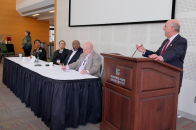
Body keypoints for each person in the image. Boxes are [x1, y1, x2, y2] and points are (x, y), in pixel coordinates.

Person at [136, 19, 187, 92]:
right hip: (159, 78)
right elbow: (157, 54)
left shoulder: (181, 41)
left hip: (171, 80)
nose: (163, 28)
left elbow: (174, 52)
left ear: (172, 28)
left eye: (165, 26)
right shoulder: (166, 41)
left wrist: (161, 57)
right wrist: (144, 51)